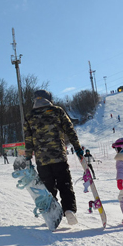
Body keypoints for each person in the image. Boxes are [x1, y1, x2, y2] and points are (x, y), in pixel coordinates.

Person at [23, 89, 83, 225]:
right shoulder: (57, 111)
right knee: (64, 183)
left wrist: (27, 157)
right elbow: (70, 130)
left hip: (42, 160)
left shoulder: (29, 116)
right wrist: (77, 148)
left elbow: (28, 138)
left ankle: (51, 213)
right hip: (59, 157)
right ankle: (69, 210)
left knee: (48, 187)